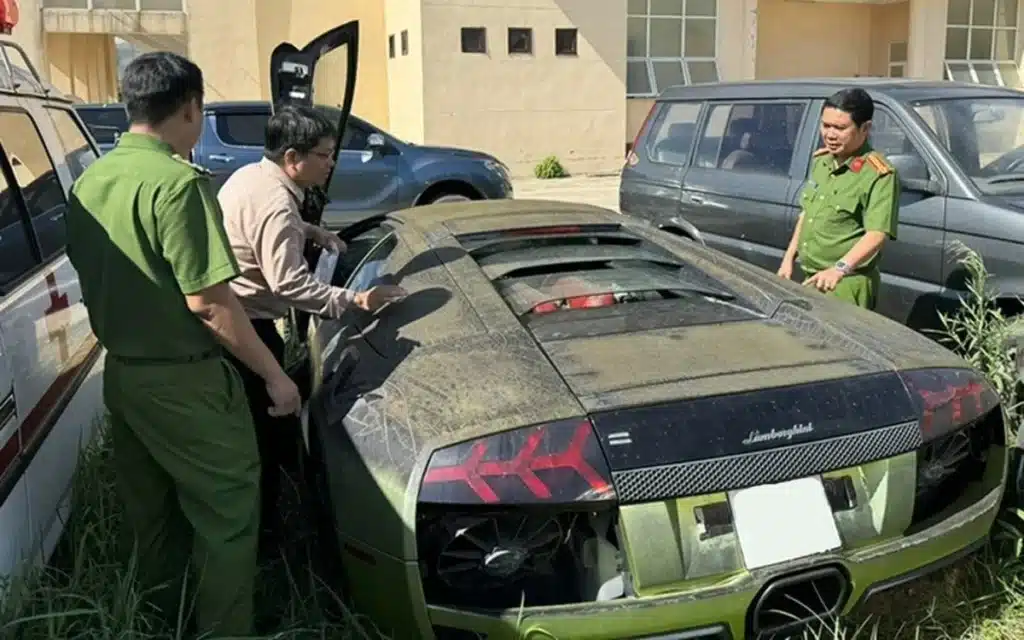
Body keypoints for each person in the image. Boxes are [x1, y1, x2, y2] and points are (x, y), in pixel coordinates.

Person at [65, 51, 301, 637]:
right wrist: (275, 374)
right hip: (186, 381)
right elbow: (211, 304)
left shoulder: (89, 181)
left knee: (154, 519)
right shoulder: (177, 184)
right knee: (226, 516)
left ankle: (158, 620)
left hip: (122, 377)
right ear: (191, 107)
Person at [216, 104, 406, 553]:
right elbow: (289, 283)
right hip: (251, 327)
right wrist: (354, 300)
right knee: (267, 437)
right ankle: (266, 541)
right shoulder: (277, 205)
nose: (331, 162)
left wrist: (310, 231)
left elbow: (261, 226)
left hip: (233, 319)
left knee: (266, 433)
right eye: (324, 154)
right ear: (293, 158)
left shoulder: (251, 177)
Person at [777, 87, 900, 310]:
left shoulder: (878, 173)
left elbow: (876, 234)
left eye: (840, 128)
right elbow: (808, 214)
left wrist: (840, 268)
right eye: (826, 126)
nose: (830, 135)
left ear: (865, 128)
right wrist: (788, 260)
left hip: (845, 282)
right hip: (812, 278)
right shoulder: (822, 162)